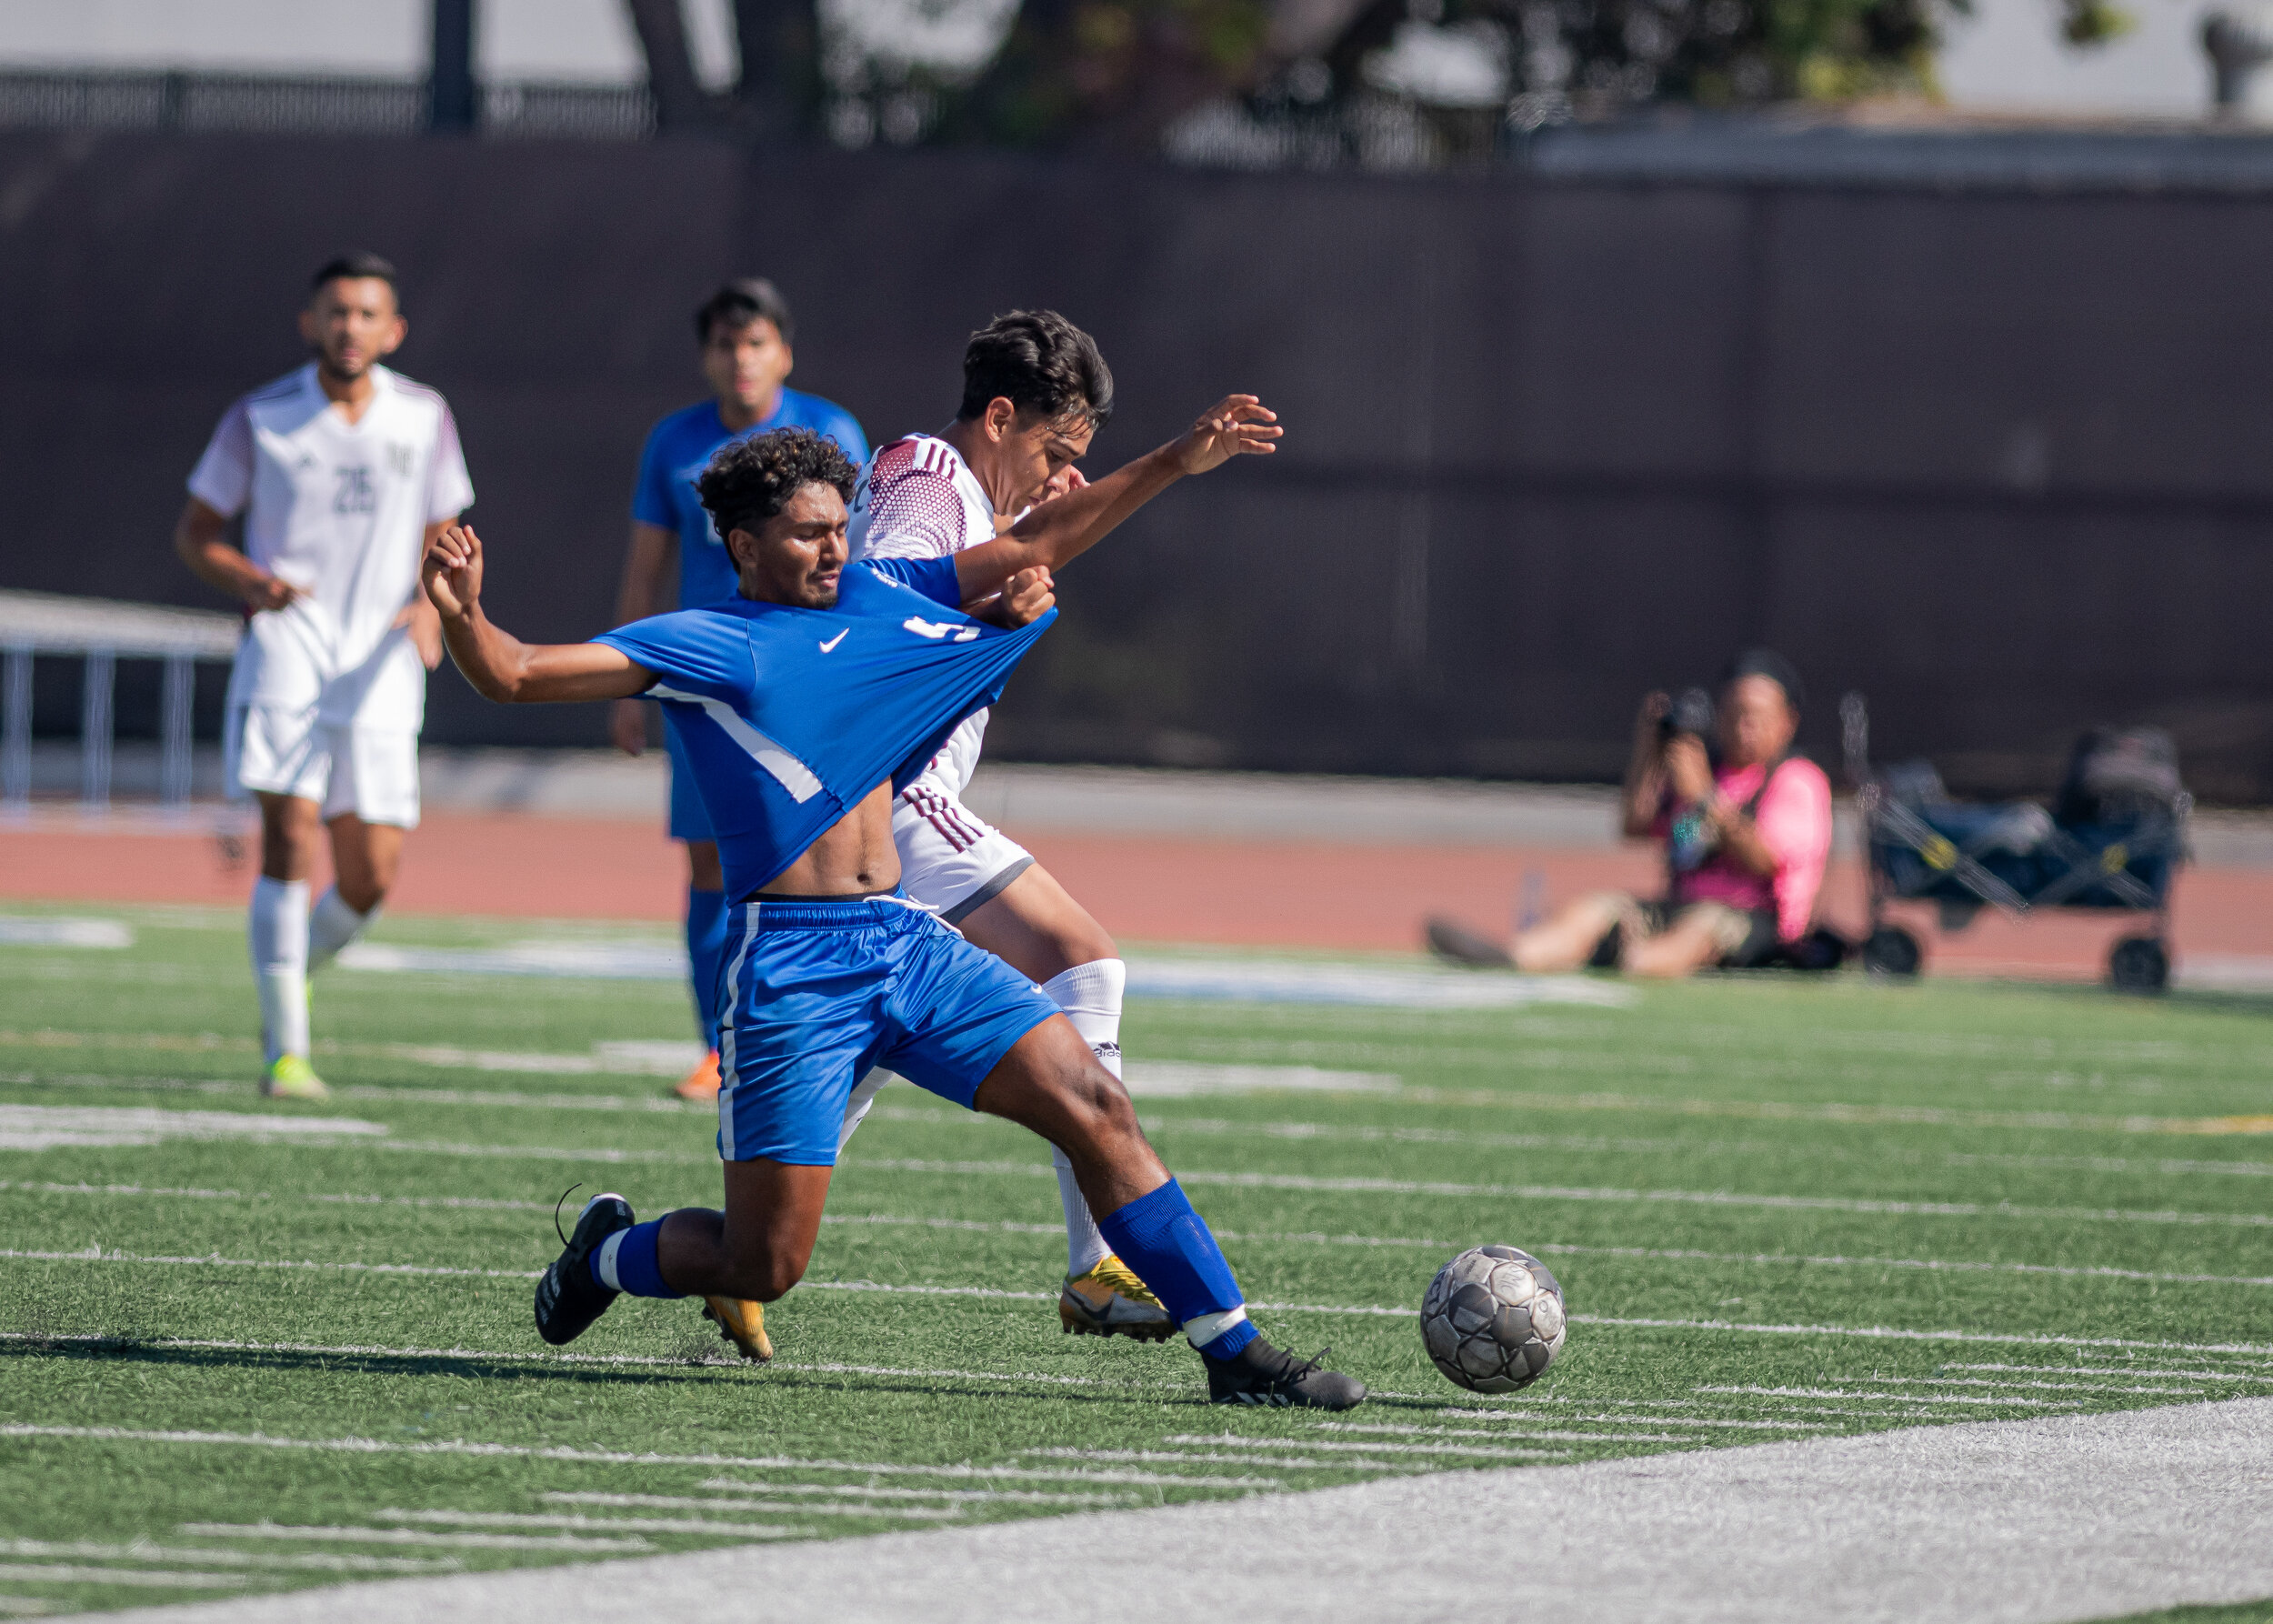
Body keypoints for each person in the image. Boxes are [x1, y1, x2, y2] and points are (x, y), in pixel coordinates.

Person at [421, 421, 1364, 1409]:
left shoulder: (885, 591)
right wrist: (462, 614)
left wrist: (1169, 464)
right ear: (743, 548)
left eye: (838, 526)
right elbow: (518, 672)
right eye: (805, 533)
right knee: (763, 1261)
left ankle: (1235, 1353)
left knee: (1097, 1106)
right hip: (792, 970)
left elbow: (1038, 546)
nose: (834, 548)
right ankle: (606, 1254)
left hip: (906, 941)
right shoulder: (708, 640)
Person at [832, 310, 1167, 1341]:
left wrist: (1003, 586)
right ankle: (1100, 1263)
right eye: (1055, 451)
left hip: (879, 808)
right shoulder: (929, 474)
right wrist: (999, 593)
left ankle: (686, 1250)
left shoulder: (969, 499)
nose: (1061, 477)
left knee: (864, 1049)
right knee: (1084, 960)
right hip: (892, 800)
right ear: (1002, 416)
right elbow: (883, 607)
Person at [175, 252, 474, 1098]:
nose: (350, 328)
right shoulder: (262, 416)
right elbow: (197, 532)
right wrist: (248, 581)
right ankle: (286, 1051)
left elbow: (443, 532)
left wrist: (429, 608)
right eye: (336, 312)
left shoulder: (424, 416)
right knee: (286, 840)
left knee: (372, 875)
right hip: (288, 647)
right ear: (311, 323)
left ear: (394, 329)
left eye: (367, 314)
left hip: (380, 658)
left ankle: (289, 973)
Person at [610, 279, 870, 1104]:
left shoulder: (828, 431)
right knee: (710, 865)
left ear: (784, 353)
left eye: (756, 342)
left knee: (818, 855)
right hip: (709, 680)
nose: (741, 358)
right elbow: (646, 565)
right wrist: (626, 685)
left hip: (807, 673)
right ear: (707, 356)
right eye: (726, 343)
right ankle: (718, 1046)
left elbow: (857, 564)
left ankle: (820, 1035)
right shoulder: (674, 442)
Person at [1428, 650, 1832, 978]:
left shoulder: (1796, 780)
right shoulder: (1700, 766)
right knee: (1597, 907)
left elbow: (1767, 860)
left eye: (1756, 716)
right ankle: (1515, 955)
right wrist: (1647, 748)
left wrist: (1704, 798)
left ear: (1786, 722)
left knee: (1703, 927)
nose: (1744, 727)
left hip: (1752, 921)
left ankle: (1637, 961)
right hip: (1678, 905)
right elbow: (1636, 825)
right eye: (1733, 713)